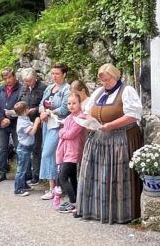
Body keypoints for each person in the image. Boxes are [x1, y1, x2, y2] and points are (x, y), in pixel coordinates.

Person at [75, 63, 143, 223]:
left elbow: (133, 115)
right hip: (99, 139)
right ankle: (94, 210)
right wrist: (88, 121)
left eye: (108, 80)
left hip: (120, 139)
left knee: (116, 177)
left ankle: (119, 213)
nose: (106, 84)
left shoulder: (127, 91)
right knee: (96, 176)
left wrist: (111, 125)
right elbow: (88, 111)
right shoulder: (99, 93)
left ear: (116, 76)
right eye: (103, 81)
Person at [38, 64, 70, 202]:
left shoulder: (67, 89)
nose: (54, 76)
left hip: (58, 125)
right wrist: (42, 112)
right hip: (47, 124)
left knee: (49, 153)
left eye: (57, 73)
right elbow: (41, 103)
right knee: (50, 153)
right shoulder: (49, 88)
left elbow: (64, 108)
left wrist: (49, 113)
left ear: (64, 74)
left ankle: (54, 188)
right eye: (52, 73)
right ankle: (54, 186)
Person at [54, 92, 86, 214]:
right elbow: (65, 131)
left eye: (74, 103)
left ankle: (73, 203)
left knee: (62, 177)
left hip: (73, 151)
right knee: (72, 177)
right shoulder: (69, 117)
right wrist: (63, 132)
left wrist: (61, 132)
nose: (71, 106)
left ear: (79, 104)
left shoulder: (80, 118)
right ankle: (77, 201)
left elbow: (70, 134)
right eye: (69, 103)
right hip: (66, 151)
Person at [0, 69, 22, 183]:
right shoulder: (0, 89)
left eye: (9, 77)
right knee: (2, 148)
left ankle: (21, 172)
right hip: (3, 123)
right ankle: (2, 172)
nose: (7, 80)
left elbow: (23, 105)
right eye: (5, 79)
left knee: (19, 147)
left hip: (16, 123)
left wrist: (12, 116)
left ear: (14, 76)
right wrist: (2, 118)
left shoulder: (21, 89)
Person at [17, 69, 47, 186]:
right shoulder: (23, 88)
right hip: (25, 122)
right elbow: (19, 102)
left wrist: (35, 110)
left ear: (35, 78)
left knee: (36, 149)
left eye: (29, 80)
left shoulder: (43, 88)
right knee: (25, 149)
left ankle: (36, 175)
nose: (27, 83)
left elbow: (45, 104)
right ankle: (27, 174)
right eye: (25, 81)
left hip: (37, 122)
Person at [12, 102, 35, 196]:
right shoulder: (23, 121)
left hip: (26, 147)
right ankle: (18, 188)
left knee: (25, 168)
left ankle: (23, 184)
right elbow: (31, 132)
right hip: (24, 148)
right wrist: (37, 122)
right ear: (25, 110)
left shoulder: (23, 118)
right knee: (21, 169)